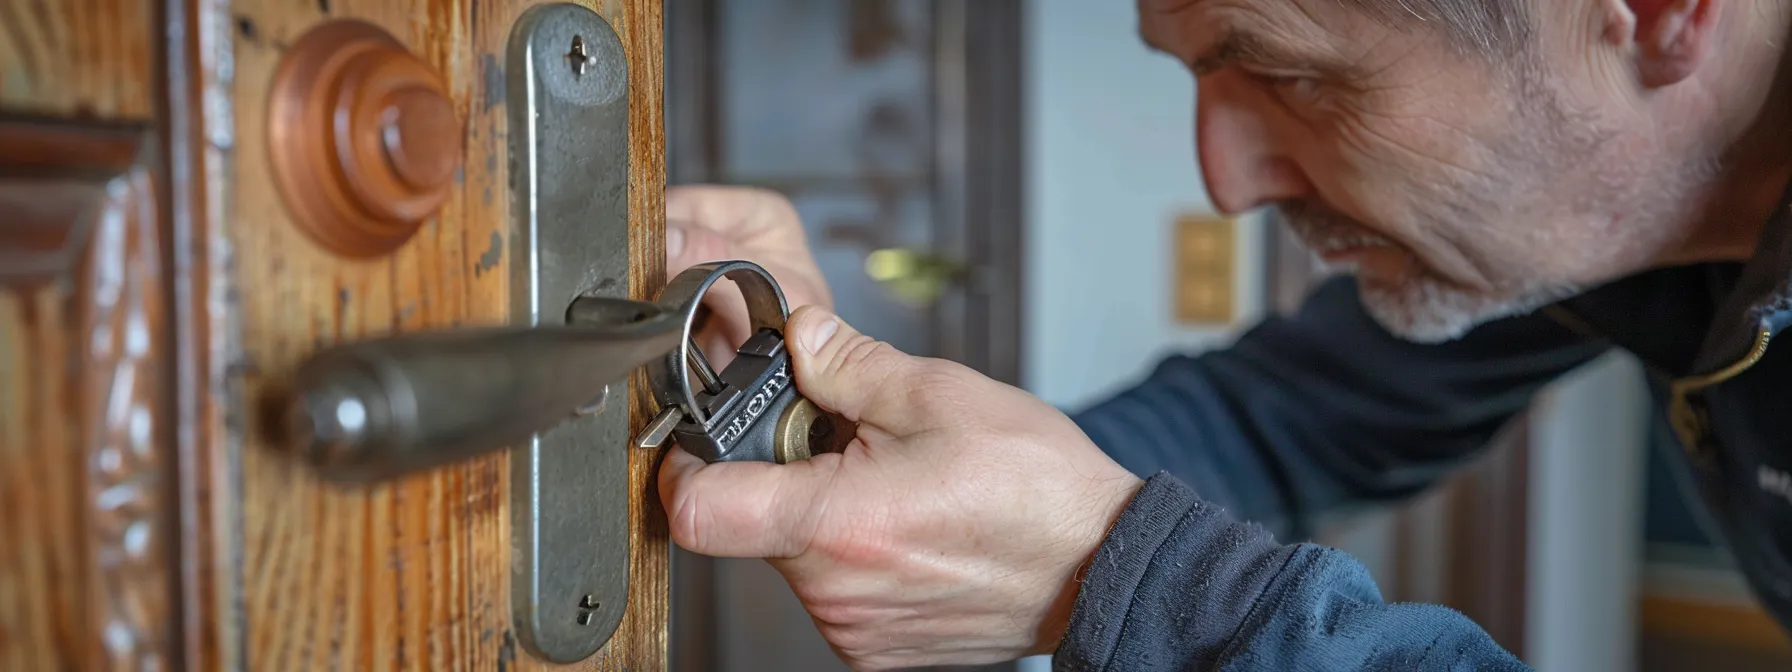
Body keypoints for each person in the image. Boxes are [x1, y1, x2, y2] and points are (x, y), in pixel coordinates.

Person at [659, 0, 1792, 669]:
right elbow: (1272, 425)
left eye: (1291, 74)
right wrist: (844, 423)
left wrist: (1121, 578)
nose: (1224, 184)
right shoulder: (1580, 235)